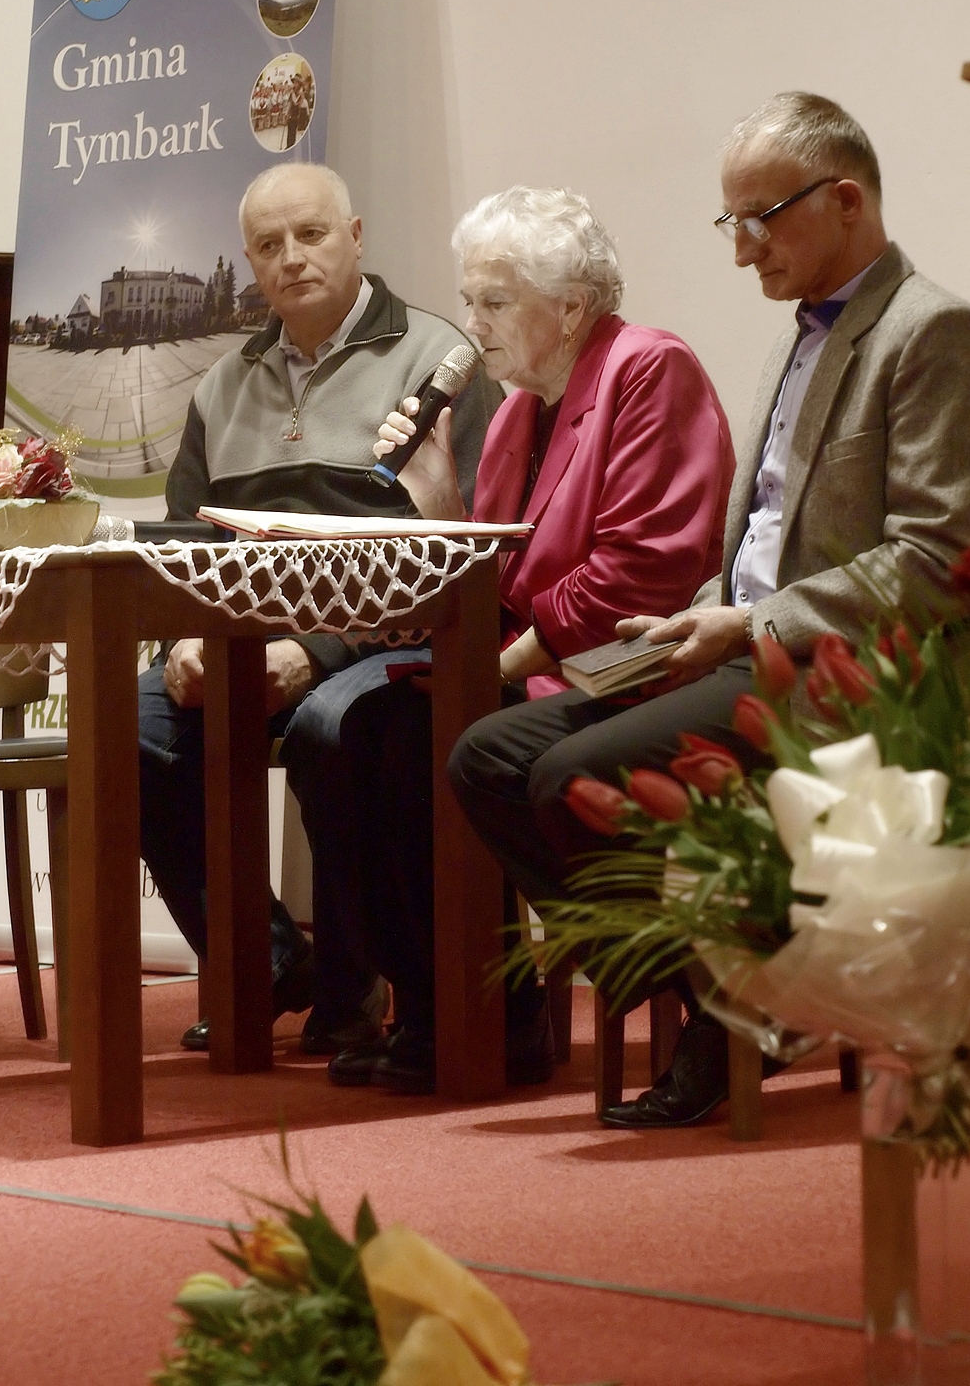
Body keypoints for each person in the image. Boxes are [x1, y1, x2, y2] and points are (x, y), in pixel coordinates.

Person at [449, 93, 970, 1126]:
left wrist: (752, 623)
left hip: (846, 671)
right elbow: (763, 539)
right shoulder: (796, 336)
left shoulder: (929, 331)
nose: (739, 250)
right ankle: (722, 1002)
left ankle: (732, 1018)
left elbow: (934, 557)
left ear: (845, 200)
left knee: (568, 774)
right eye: (729, 222)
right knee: (486, 755)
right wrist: (697, 614)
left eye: (759, 219)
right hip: (737, 646)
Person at [280, 185, 735, 1093]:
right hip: (533, 664)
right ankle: (437, 1001)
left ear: (569, 307)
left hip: (631, 662)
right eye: (469, 299)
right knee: (338, 732)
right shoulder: (519, 409)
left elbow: (640, 572)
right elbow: (496, 580)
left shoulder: (648, 368)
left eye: (494, 301)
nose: (472, 323)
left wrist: (497, 667)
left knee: (414, 735)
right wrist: (439, 508)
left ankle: (498, 1015)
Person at [140, 161, 501, 1053]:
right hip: (243, 641)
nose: (291, 258)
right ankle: (265, 965)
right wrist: (187, 638)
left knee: (334, 728)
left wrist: (317, 652)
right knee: (130, 725)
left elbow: (475, 552)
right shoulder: (222, 386)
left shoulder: (439, 362)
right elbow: (185, 546)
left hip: (385, 643)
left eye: (310, 234)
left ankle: (355, 987)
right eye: (268, 245)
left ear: (356, 236)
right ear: (249, 263)